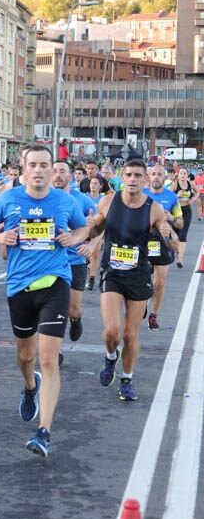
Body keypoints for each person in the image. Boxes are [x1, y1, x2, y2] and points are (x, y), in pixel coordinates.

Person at [0, 143, 90, 459]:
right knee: (26, 356)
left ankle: (44, 432)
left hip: (56, 283)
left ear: (53, 170)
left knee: (49, 358)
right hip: (19, 288)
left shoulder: (65, 201)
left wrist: (74, 239)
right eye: (33, 165)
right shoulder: (8, 199)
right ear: (23, 169)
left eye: (44, 165)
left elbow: (83, 228)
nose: (39, 170)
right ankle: (29, 387)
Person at [87, 159, 172, 402]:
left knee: (129, 335)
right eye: (129, 175)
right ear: (122, 178)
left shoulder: (153, 208)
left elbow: (165, 236)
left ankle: (126, 379)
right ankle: (111, 357)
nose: (133, 179)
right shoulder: (108, 201)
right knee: (111, 331)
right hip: (112, 272)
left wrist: (166, 232)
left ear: (145, 180)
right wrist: (91, 226)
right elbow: (95, 232)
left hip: (138, 275)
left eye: (138, 175)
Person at [51, 160, 97, 345]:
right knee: (52, 308)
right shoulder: (43, 198)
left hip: (75, 260)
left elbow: (98, 229)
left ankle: (76, 319)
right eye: (54, 171)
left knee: (72, 309)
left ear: (70, 176)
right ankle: (56, 350)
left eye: (62, 171)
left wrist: (91, 244)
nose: (57, 175)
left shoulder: (83, 200)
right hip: (51, 260)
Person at [143, 163, 182, 331]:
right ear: (149, 177)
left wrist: (171, 218)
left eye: (160, 174)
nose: (157, 177)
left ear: (165, 178)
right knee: (140, 280)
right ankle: (140, 303)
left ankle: (153, 315)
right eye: (154, 174)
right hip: (142, 240)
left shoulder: (172, 197)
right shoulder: (141, 194)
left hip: (163, 241)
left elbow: (180, 223)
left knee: (159, 283)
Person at [86, 174, 111, 290]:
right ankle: (86, 265)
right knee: (85, 255)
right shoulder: (85, 197)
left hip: (99, 230)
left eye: (96, 184)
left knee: (95, 253)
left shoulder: (103, 199)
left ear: (100, 186)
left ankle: (91, 279)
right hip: (86, 229)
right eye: (92, 183)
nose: (93, 186)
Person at [169, 167, 197, 267]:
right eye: (181, 173)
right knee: (175, 236)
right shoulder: (175, 184)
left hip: (187, 211)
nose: (183, 175)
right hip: (176, 211)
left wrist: (193, 199)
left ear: (187, 175)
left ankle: (180, 259)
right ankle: (177, 254)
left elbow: (197, 192)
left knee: (183, 235)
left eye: (185, 173)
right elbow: (169, 197)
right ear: (178, 175)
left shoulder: (191, 184)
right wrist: (177, 195)